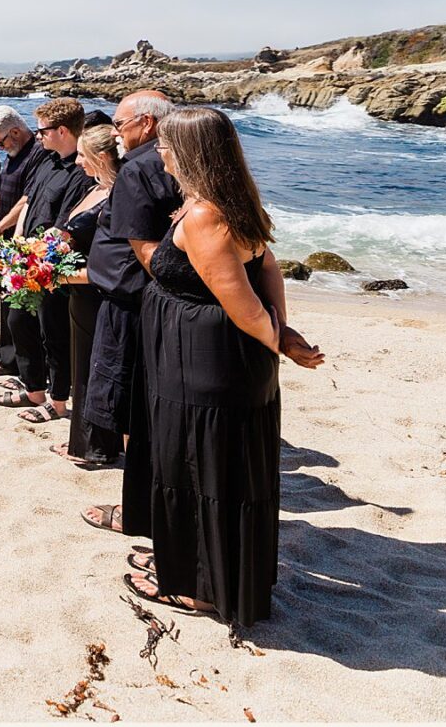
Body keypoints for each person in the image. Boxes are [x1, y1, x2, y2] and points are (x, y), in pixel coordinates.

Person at [126, 107, 323, 623]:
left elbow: (242, 303)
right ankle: (196, 565)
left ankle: (198, 586)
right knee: (218, 467)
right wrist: (283, 330)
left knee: (196, 464)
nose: (159, 153)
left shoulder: (204, 214)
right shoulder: (234, 201)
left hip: (206, 364)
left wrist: (279, 340)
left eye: (166, 146)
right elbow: (269, 269)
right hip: (218, 359)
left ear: (189, 153)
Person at [79, 90, 181, 538]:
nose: (115, 134)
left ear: (146, 123)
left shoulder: (139, 168)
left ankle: (136, 507)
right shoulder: (164, 163)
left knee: (130, 408)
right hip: (149, 301)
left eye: (120, 125)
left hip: (132, 303)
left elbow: (142, 247)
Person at [0, 98, 95, 422]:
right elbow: (28, 201)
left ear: (62, 130)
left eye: (42, 131)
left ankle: (57, 400)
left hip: (52, 262)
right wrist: (17, 246)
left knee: (54, 332)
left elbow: (66, 225)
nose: (37, 137)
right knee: (18, 322)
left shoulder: (81, 171)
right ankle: (34, 387)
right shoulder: (47, 161)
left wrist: (36, 258)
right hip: (27, 254)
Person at [55, 124, 125, 467]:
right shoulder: (95, 188)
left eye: (82, 155)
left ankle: (96, 447)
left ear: (100, 157)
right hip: (78, 290)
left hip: (95, 290)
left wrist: (63, 272)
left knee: (96, 368)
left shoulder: (118, 195)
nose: (78, 161)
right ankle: (81, 443)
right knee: (82, 366)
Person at [0, 105, 49, 379]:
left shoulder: (37, 154)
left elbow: (28, 198)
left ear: (15, 131)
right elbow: (2, 190)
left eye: (1, 141)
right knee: (6, 298)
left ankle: (22, 362)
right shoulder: (13, 152)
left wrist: (2, 225)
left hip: (21, 236)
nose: (0, 147)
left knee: (22, 304)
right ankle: (9, 358)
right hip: (4, 235)